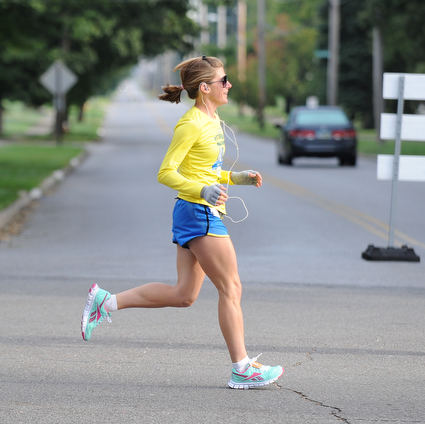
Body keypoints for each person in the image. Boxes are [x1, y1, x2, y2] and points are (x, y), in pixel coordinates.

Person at [81, 55, 283, 389]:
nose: (229, 84)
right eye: (223, 80)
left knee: (184, 294)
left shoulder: (212, 120)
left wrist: (237, 178)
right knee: (231, 288)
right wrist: (204, 190)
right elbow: (166, 172)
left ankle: (106, 301)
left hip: (197, 211)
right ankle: (242, 367)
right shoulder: (191, 123)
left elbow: (204, 170)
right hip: (197, 212)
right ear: (205, 88)